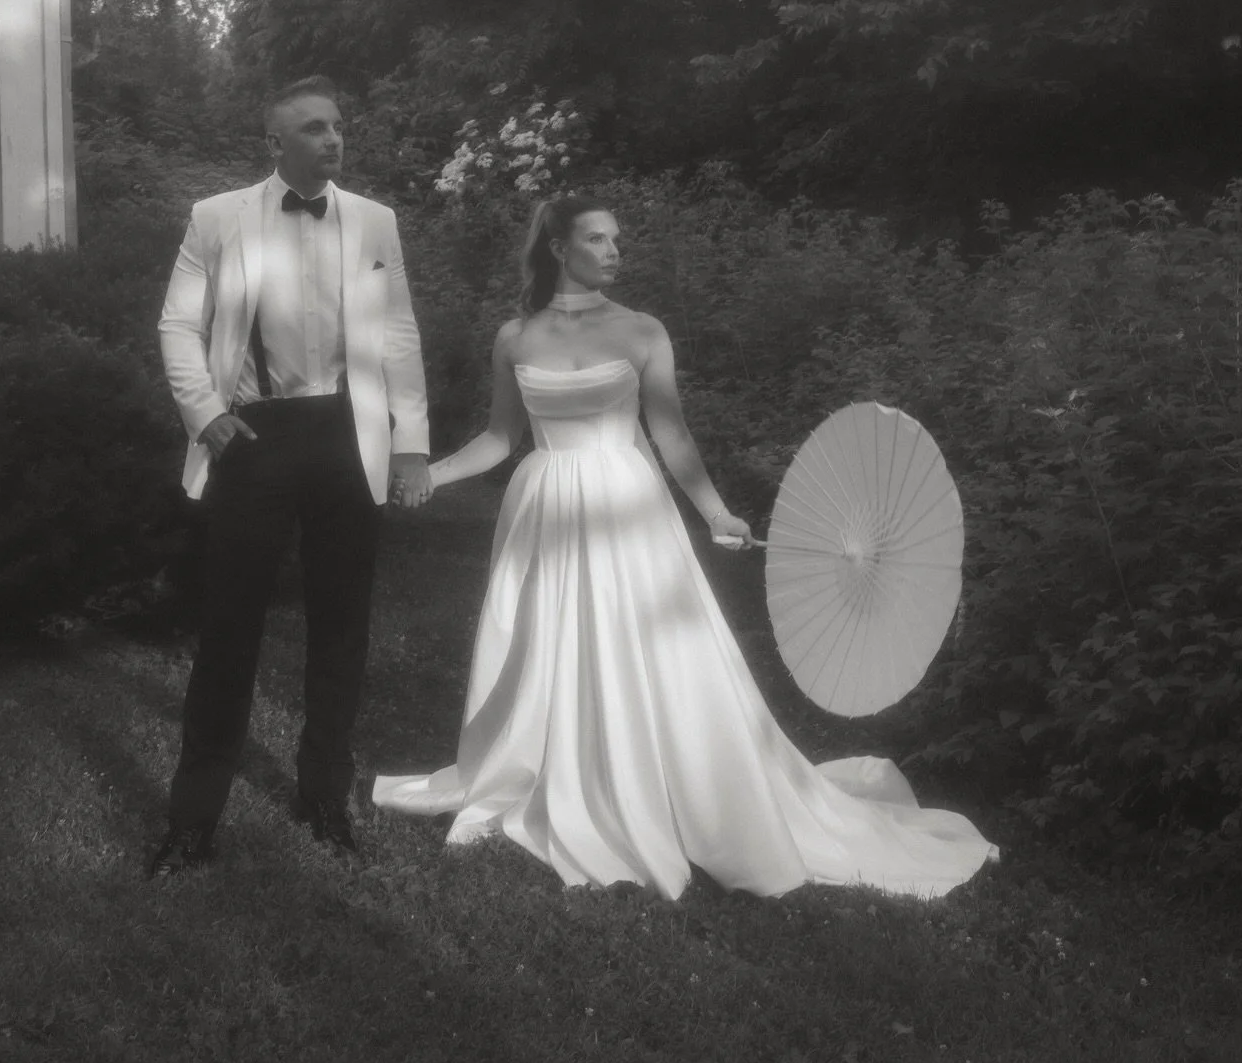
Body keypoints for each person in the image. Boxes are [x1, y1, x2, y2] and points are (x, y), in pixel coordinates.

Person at [373, 195, 997, 901]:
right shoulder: (514, 337)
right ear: (558, 247)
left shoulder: (643, 331)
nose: (614, 250)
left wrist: (716, 512)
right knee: (545, 640)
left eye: (617, 239)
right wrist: (431, 474)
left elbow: (670, 433)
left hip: (629, 506)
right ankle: (555, 765)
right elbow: (498, 438)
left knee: (647, 644)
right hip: (545, 506)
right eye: (597, 238)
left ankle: (660, 781)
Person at [150, 77, 431, 874]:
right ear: (275, 143)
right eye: (313, 128)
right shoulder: (217, 217)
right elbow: (178, 323)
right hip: (254, 434)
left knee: (342, 624)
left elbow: (399, 331)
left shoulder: (375, 220)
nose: (332, 138)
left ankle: (324, 797)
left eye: (337, 125)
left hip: (348, 431)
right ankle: (193, 821)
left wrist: (410, 441)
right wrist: (205, 412)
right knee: (229, 628)